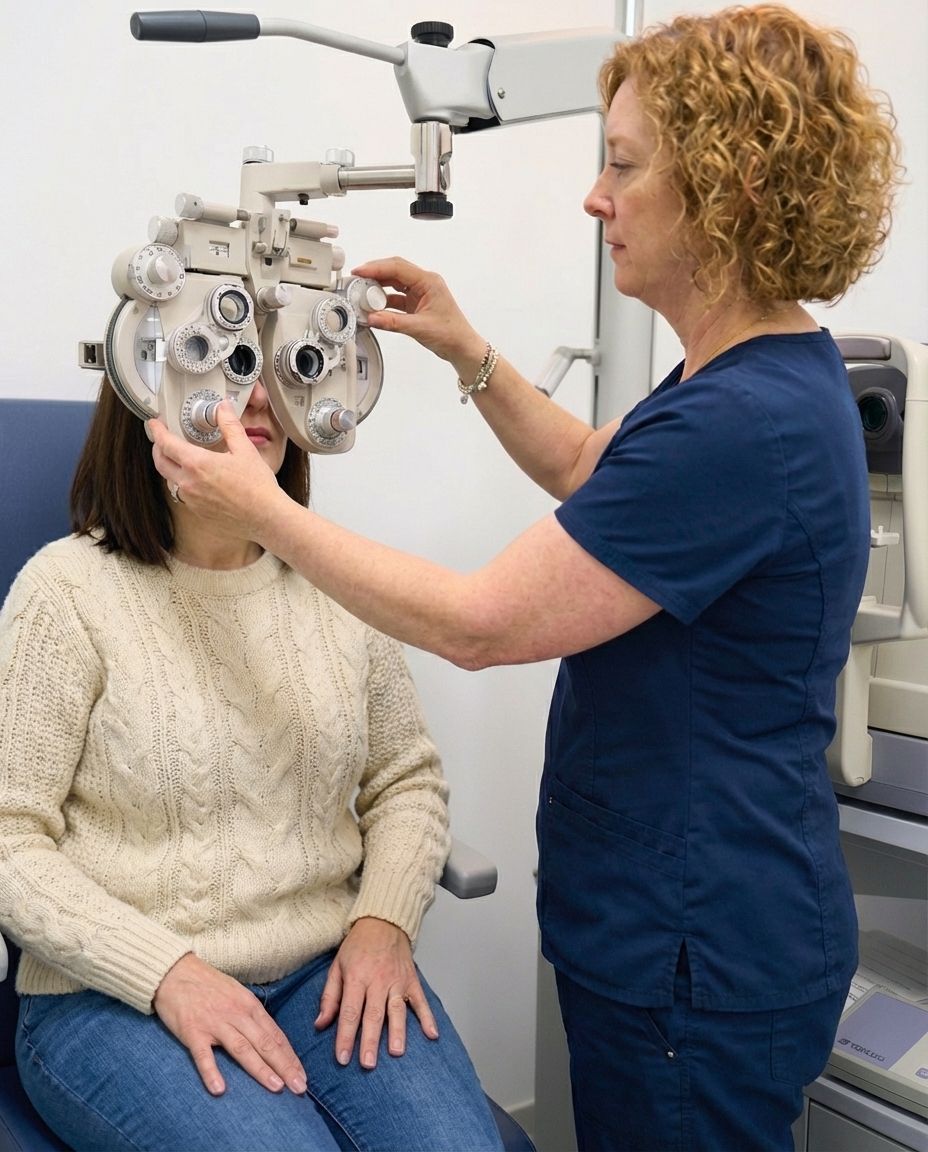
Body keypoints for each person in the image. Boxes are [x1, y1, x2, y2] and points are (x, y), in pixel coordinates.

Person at [148, 5, 902, 1149]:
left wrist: (261, 509)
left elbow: (480, 625)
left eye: (624, 165)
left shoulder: (739, 424)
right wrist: (471, 351)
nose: (596, 197)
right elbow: (597, 471)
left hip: (693, 951)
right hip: (689, 929)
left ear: (727, 188)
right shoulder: (755, 381)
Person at [0, 377, 506, 1152]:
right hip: (111, 992)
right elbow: (9, 840)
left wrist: (382, 922)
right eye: (229, 368)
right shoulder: (64, 595)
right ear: (146, 393)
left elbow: (405, 780)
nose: (262, 398)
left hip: (322, 973)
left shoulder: (336, 583)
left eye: (282, 370)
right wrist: (165, 971)